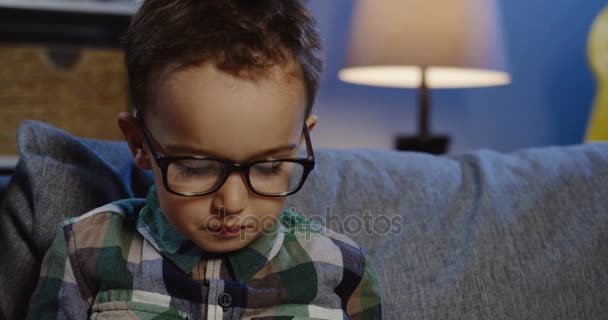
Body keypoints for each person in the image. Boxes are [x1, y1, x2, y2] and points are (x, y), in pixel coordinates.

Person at [26, 1, 382, 319]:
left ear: (302, 141)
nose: (232, 203)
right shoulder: (84, 250)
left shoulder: (342, 268)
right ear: (139, 144)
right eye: (196, 168)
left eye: (268, 167)